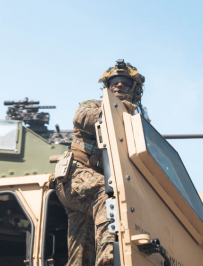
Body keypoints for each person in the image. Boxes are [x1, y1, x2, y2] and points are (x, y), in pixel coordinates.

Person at [55, 59, 145, 265]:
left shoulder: (136, 121)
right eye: (115, 82)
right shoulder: (95, 106)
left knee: (81, 251)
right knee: (107, 195)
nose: (119, 85)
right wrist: (119, 113)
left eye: (125, 82)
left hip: (83, 188)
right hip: (76, 176)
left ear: (135, 88)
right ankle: (109, 260)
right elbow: (82, 118)